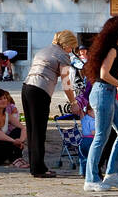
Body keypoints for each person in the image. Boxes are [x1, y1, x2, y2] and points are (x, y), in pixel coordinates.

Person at [83, 14, 118, 193]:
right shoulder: (112, 49)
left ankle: (112, 173)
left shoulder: (116, 50)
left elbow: (111, 82)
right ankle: (91, 179)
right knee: (101, 136)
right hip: (102, 94)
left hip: (109, 94)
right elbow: (104, 75)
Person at [21, 30, 79, 179]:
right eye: (72, 46)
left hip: (26, 87)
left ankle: (35, 166)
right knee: (39, 130)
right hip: (41, 91)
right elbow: (66, 84)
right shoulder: (62, 55)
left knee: (32, 129)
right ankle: (39, 168)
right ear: (67, 44)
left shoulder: (44, 50)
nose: (71, 50)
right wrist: (73, 102)